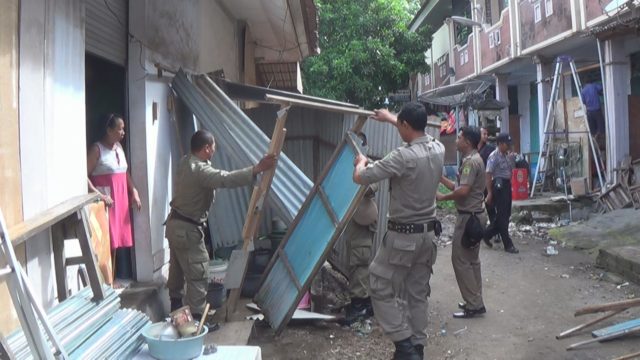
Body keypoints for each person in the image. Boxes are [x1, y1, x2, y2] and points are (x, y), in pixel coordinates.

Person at [353, 102, 444, 360]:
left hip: (404, 237)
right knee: (417, 293)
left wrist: (361, 162)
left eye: (400, 125)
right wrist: (392, 118)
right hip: (428, 237)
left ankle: (404, 346)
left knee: (379, 284)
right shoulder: (437, 148)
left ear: (406, 125)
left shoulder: (401, 158)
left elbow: (361, 177)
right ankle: (417, 348)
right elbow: (413, 132)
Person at [165, 130, 276, 319]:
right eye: (214, 146)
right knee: (198, 272)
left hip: (175, 225)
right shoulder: (199, 170)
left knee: (177, 270)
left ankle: (175, 312)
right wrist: (256, 169)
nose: (215, 149)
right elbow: (224, 179)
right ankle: (198, 321)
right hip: (187, 230)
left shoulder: (186, 161)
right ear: (207, 148)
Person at [437, 126, 488, 318]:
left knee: (460, 259)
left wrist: (442, 198)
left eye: (459, 137)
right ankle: (475, 299)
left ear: (467, 142)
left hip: (469, 218)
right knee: (472, 260)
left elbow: (463, 191)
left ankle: (473, 304)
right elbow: (459, 186)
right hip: (476, 215)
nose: (456, 140)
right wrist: (440, 178)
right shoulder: (474, 160)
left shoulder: (470, 163)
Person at [87, 113, 142, 284]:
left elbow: (124, 172)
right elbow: (84, 175)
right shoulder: (97, 149)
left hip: (120, 199)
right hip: (106, 200)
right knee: (106, 238)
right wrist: (99, 195)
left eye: (123, 129)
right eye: (119, 129)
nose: (123, 132)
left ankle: (115, 277)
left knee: (117, 236)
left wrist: (134, 191)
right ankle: (108, 280)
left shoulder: (118, 147)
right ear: (109, 130)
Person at [484, 133, 519, 254]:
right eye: (506, 144)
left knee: (505, 215)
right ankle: (508, 244)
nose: (508, 146)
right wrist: (489, 193)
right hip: (499, 186)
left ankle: (486, 234)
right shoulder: (494, 156)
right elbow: (488, 174)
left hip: (506, 186)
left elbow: (512, 169)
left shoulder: (507, 155)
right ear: (499, 144)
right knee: (503, 217)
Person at [478, 127, 497, 239]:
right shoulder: (474, 149)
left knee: (490, 207)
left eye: (486, 134)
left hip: (488, 181)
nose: (485, 136)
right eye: (483, 134)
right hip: (476, 182)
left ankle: (495, 232)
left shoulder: (490, 149)